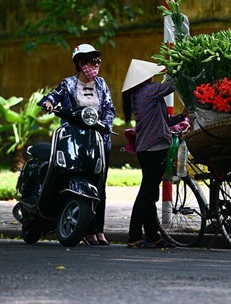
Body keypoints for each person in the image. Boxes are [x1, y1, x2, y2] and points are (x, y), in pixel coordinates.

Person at [38, 43, 116, 246]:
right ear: (81, 63)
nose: (96, 65)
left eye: (98, 61)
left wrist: (106, 124)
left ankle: (98, 230)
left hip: (99, 141)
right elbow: (53, 96)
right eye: (92, 61)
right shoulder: (69, 84)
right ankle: (85, 228)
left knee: (100, 185)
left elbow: (109, 108)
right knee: (75, 177)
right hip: (74, 140)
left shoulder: (101, 84)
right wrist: (48, 103)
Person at [121, 58, 185, 249]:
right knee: (147, 194)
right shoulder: (148, 91)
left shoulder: (140, 94)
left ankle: (152, 236)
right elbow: (172, 85)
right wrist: (178, 66)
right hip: (153, 150)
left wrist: (182, 116)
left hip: (149, 149)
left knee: (150, 194)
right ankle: (134, 236)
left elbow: (165, 121)